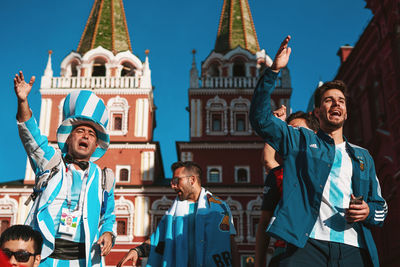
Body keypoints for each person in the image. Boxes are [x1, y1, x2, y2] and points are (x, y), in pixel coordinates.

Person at [250, 36, 387, 267]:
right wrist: (273, 71)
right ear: (317, 112)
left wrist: (367, 211)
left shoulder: (362, 156)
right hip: (306, 245)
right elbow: (260, 119)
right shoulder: (300, 140)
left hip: (354, 249)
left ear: (346, 112)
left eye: (341, 101)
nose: (336, 104)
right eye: (329, 101)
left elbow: (380, 206)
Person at [14, 71, 116, 267]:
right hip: (44, 257)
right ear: (68, 138)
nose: (85, 136)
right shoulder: (50, 162)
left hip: (83, 260)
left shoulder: (104, 178)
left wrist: (108, 232)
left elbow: (108, 215)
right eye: (80, 131)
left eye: (91, 134)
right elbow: (31, 136)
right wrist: (23, 101)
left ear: (96, 146)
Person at [117, 161, 239, 267]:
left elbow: (231, 244)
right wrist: (137, 251)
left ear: (192, 180)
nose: (172, 185)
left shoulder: (220, 208)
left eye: (177, 180)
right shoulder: (172, 214)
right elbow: (157, 240)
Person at [255, 111, 319, 267]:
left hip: (321, 251)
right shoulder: (280, 174)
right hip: (285, 252)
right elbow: (268, 159)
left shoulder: (333, 170)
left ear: (315, 135)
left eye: (297, 130)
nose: (292, 136)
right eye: (288, 131)